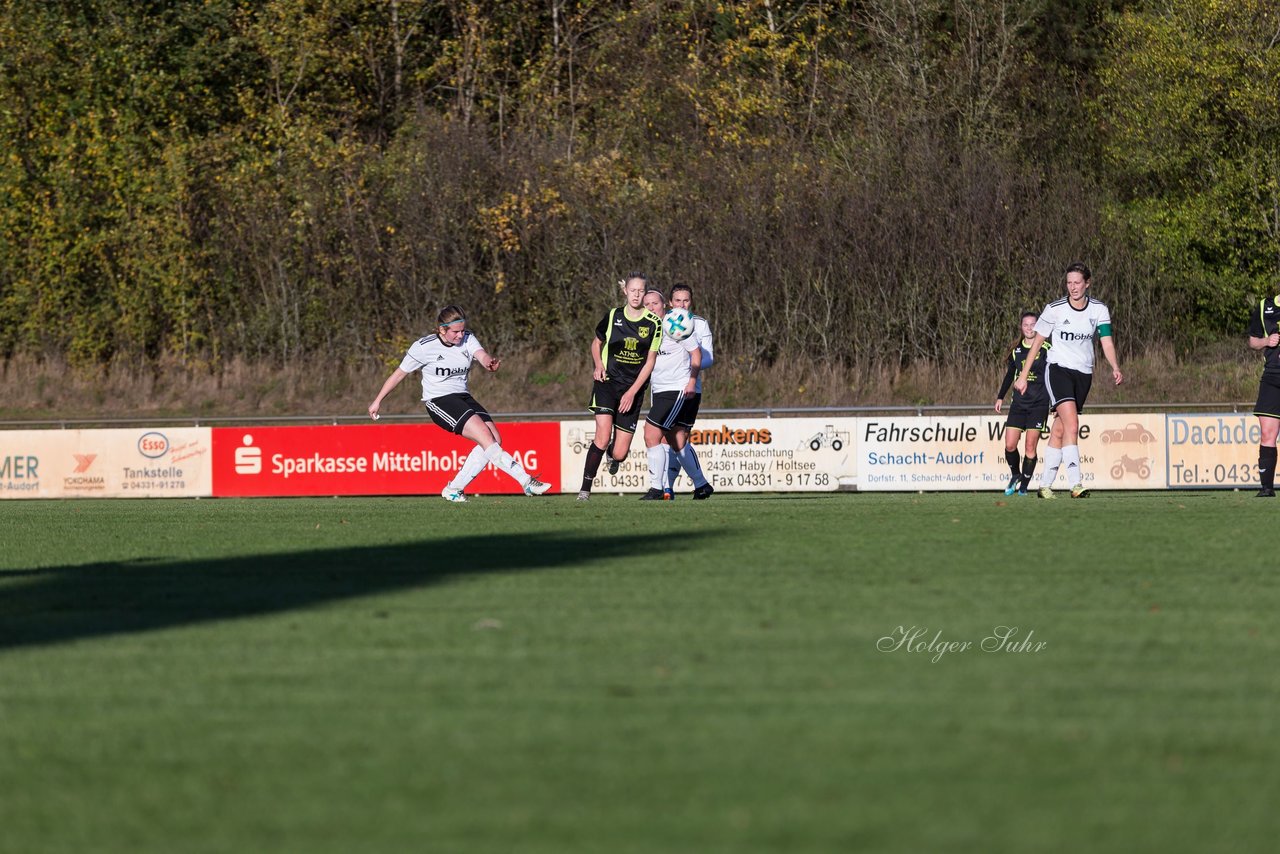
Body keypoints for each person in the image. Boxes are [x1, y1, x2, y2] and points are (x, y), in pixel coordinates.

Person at [368, 305, 551, 502]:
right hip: (438, 400)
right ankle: (526, 481)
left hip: (462, 397)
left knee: (494, 439)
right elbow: (399, 374)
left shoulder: (467, 338)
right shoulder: (423, 347)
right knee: (484, 436)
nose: (460, 335)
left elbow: (480, 354)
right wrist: (377, 401)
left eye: (462, 330)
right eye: (455, 331)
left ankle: (454, 489)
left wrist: (489, 362)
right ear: (442, 329)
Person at [1014, 262, 1123, 499]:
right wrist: (1023, 375)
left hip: (1084, 374)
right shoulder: (1054, 309)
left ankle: (1044, 486)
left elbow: (1106, 341)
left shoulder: (1099, 310)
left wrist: (1115, 366)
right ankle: (1077, 484)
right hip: (1058, 370)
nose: (1072, 287)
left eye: (1077, 282)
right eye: (1069, 282)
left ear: (1087, 283)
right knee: (1072, 425)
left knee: (1061, 429)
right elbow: (1037, 342)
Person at [577, 273, 662, 501]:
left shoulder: (654, 323)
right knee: (602, 438)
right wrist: (598, 365)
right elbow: (596, 344)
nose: (636, 295)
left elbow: (650, 362)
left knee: (620, 453)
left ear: (645, 294)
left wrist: (632, 392)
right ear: (625, 291)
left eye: (640, 291)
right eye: (632, 290)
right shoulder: (613, 316)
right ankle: (584, 490)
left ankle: (613, 457)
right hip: (607, 384)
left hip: (633, 389)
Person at [638, 289, 702, 500]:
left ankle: (659, 489)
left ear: (663, 304)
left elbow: (696, 353)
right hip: (658, 391)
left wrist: (692, 381)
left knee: (652, 434)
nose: (650, 308)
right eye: (646, 304)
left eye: (654, 303)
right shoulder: (646, 330)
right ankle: (701, 485)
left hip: (676, 389)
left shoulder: (673, 325)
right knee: (675, 439)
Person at [660, 284, 716, 499]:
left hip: (689, 388)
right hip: (665, 387)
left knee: (676, 436)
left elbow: (709, 358)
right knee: (669, 437)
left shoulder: (700, 324)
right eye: (677, 301)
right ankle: (668, 489)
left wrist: (689, 364)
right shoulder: (663, 323)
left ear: (691, 302)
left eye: (686, 301)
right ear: (670, 303)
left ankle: (668, 488)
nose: (681, 305)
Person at [994, 311, 1050, 496]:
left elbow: (1053, 376)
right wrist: (1000, 396)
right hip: (1018, 404)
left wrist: (1057, 401)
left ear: (1038, 326)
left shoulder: (1047, 348)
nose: (1029, 328)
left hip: (1039, 404)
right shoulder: (1016, 350)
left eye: (1032, 324)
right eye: (1025, 325)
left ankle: (1024, 486)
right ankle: (1016, 474)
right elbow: (1010, 375)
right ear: (1021, 327)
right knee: (1010, 445)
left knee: (1029, 448)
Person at [1247, 293, 1280, 496]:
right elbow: (1252, 342)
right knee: (1268, 433)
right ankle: (1266, 488)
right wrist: (1267, 340)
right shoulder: (1263, 306)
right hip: (1272, 379)